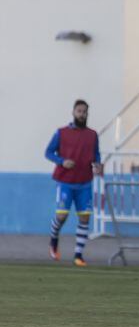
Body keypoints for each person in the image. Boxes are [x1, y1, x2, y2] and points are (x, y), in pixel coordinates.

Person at [45, 99, 102, 266]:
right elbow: (48, 152)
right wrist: (62, 161)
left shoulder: (92, 135)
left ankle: (78, 255)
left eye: (85, 112)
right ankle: (54, 238)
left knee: (84, 219)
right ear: (73, 112)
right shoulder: (61, 133)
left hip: (84, 182)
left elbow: (96, 154)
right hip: (65, 181)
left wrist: (97, 164)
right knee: (61, 216)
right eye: (79, 111)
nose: (82, 114)